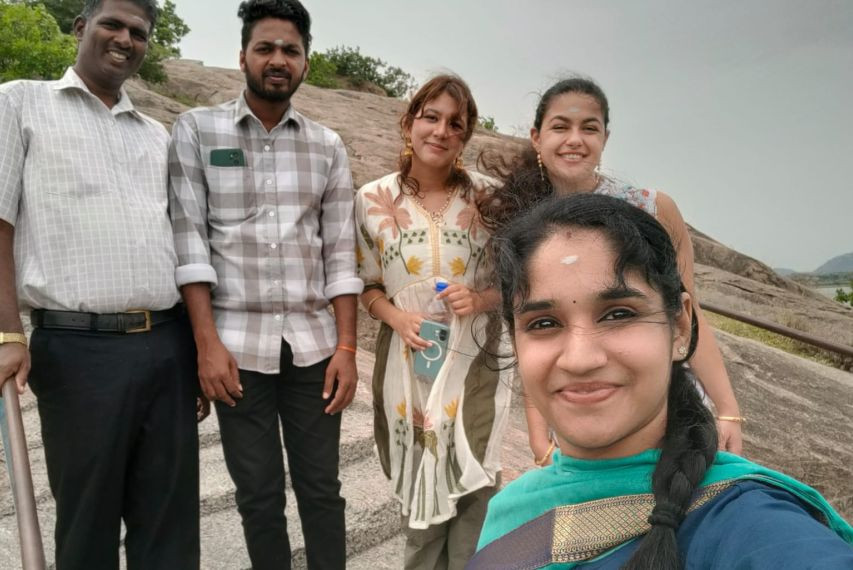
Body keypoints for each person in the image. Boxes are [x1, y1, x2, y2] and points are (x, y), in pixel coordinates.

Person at [468, 193, 853, 569]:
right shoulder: (514, 507)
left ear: (680, 327)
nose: (580, 359)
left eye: (618, 314)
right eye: (544, 323)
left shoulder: (747, 519)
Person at [0, 0, 200, 568]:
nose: (125, 38)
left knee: (171, 522)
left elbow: (176, 239)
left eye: (139, 32)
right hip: (79, 349)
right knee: (87, 522)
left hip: (166, 345)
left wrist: (195, 348)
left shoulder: (156, 135)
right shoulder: (20, 103)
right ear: (81, 26)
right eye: (112, 24)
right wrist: (8, 334)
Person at [168, 0, 362, 568]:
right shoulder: (198, 131)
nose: (278, 60)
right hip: (235, 351)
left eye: (290, 50)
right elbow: (190, 246)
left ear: (305, 61)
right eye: (266, 48)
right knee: (257, 496)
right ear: (243, 56)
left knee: (322, 491)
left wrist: (347, 348)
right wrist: (205, 346)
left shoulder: (326, 146)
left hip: (313, 350)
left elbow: (340, 255)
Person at [478, 76, 744, 463]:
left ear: (605, 137)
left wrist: (727, 408)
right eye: (560, 127)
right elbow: (532, 330)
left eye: (589, 127)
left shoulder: (650, 208)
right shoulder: (519, 223)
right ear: (536, 137)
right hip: (574, 406)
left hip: (662, 403)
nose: (575, 139)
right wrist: (539, 433)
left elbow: (688, 312)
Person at [355, 74, 511, 569]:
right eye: (431, 117)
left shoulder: (490, 200)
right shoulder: (372, 199)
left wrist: (482, 298)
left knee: (474, 484)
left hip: (476, 361)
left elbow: (518, 282)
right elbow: (367, 285)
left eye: (455, 124)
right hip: (408, 361)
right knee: (422, 482)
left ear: (465, 136)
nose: (441, 131)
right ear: (409, 122)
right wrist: (397, 317)